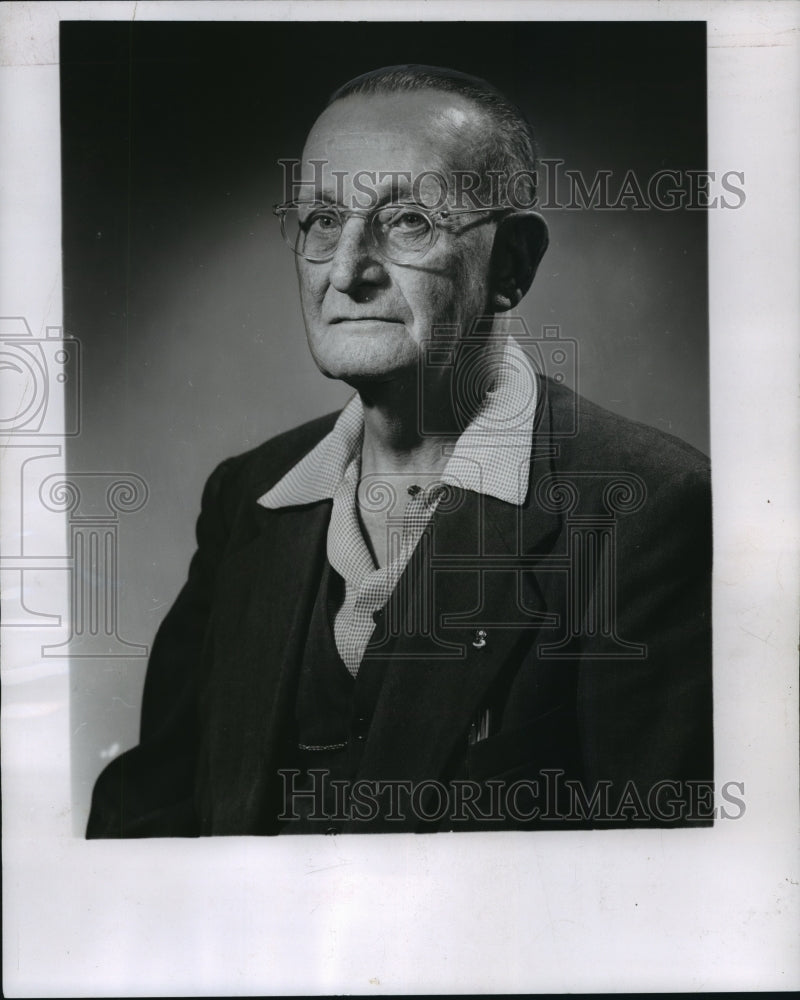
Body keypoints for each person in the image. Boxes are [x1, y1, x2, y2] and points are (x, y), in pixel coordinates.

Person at [87, 65, 712, 837]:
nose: (347, 271)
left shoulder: (652, 511)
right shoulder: (248, 496)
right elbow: (150, 812)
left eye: (409, 220)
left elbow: (663, 894)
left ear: (512, 263)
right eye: (322, 219)